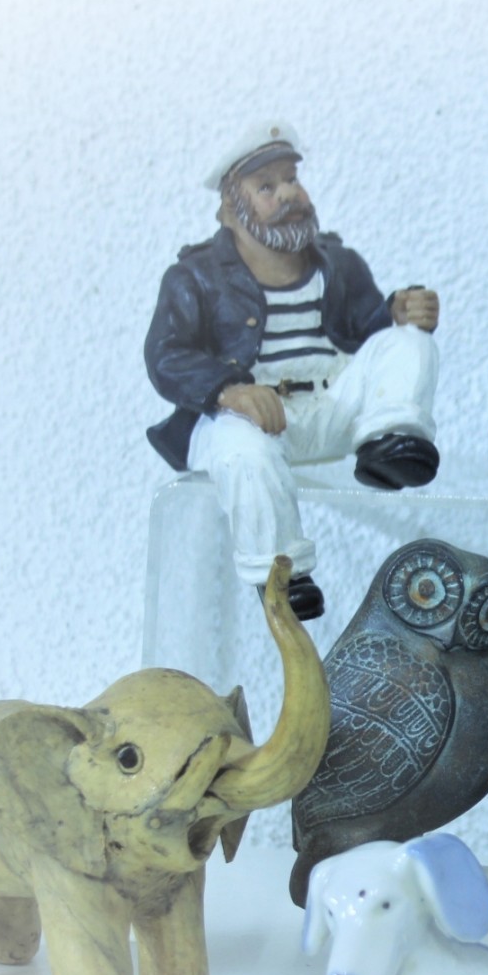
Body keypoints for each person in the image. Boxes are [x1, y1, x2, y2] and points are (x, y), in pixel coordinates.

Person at [145, 121, 442, 620]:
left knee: (409, 342)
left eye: (291, 180)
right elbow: (165, 356)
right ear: (231, 209)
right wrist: (228, 390)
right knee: (244, 455)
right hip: (252, 415)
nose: (288, 195)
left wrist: (399, 310)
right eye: (267, 187)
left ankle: (389, 443)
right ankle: (280, 574)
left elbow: (368, 332)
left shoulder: (339, 263)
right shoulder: (193, 277)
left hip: (332, 405)